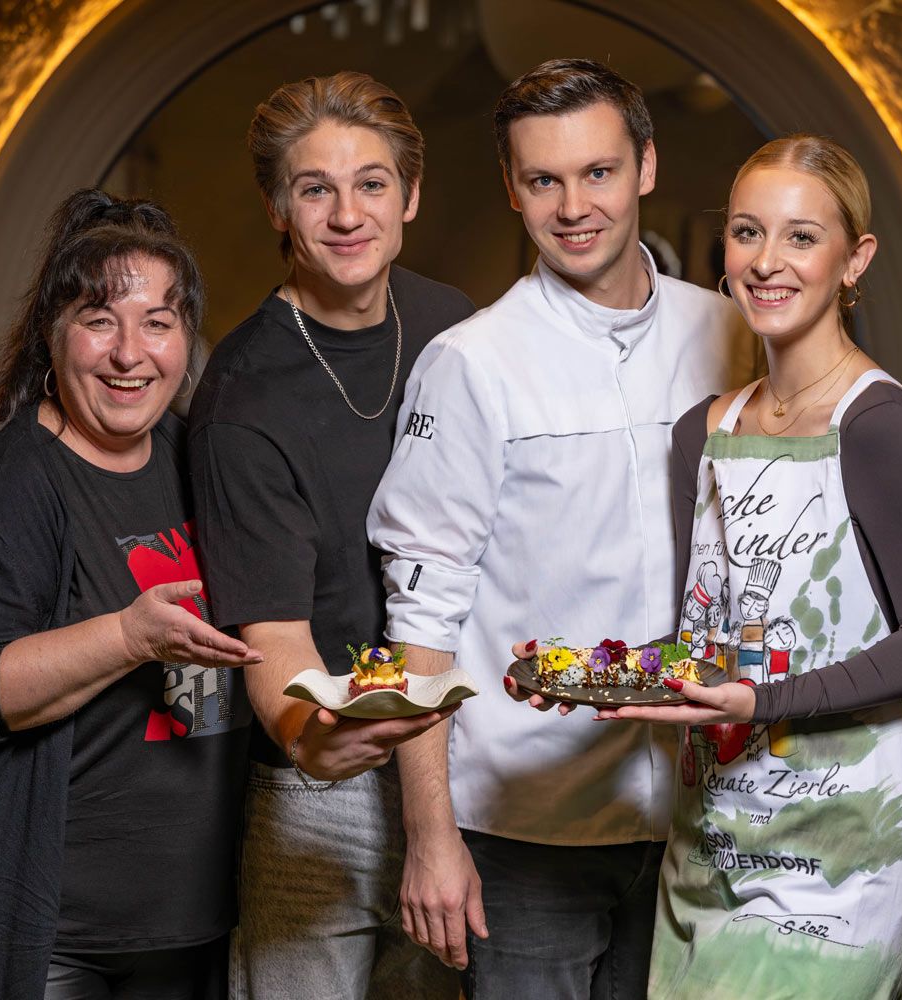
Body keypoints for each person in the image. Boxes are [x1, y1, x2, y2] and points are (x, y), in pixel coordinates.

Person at [521, 134, 902, 998]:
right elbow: (710, 640)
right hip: (710, 855)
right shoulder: (705, 429)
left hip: (837, 870)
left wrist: (762, 702)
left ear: (855, 259)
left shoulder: (876, 424)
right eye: (746, 233)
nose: (767, 263)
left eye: (802, 237)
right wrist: (598, 676)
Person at [366, 59, 747, 998]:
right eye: (544, 179)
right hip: (526, 833)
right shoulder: (472, 364)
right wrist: (430, 836)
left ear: (646, 167)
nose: (574, 205)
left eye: (598, 172)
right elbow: (421, 620)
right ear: (512, 189)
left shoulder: (735, 335)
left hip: (709, 819)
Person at [0, 190, 260, 1000]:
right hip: (44, 939)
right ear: (54, 335)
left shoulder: (200, 460)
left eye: (158, 322)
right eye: (99, 319)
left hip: (185, 924)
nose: (130, 353)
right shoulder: (2, 492)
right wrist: (127, 637)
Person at [187, 72, 473, 1000]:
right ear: (279, 206)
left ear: (412, 197)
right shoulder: (242, 395)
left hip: (471, 767)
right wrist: (309, 735)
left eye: (373, 183)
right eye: (316, 188)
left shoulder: (459, 334)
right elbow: (270, 633)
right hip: (323, 794)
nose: (348, 213)